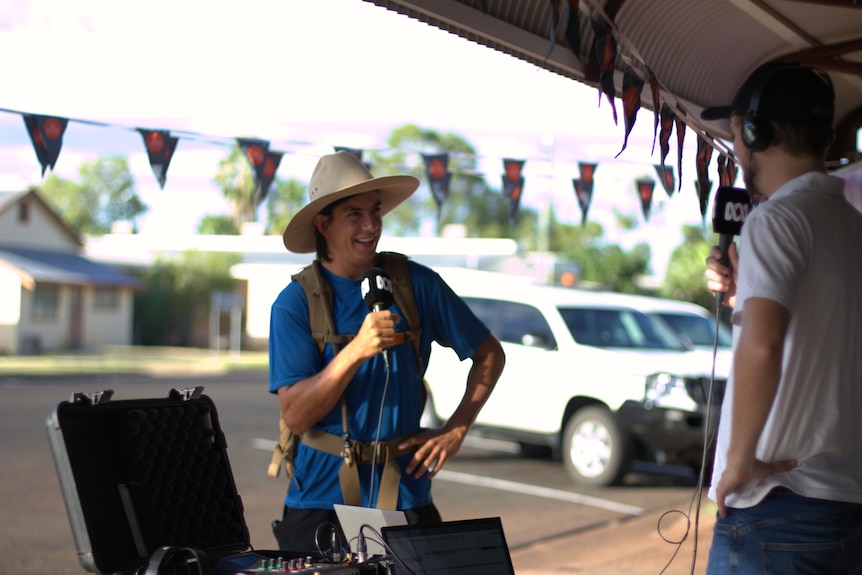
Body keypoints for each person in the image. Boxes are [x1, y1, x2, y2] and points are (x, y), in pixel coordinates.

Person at [268, 150, 505, 554]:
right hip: (319, 505)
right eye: (354, 215)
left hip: (405, 496)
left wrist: (456, 428)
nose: (371, 225)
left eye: (375, 212)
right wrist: (356, 350)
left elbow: (489, 355)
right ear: (323, 223)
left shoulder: (417, 285)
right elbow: (296, 414)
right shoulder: (293, 304)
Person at [701, 61, 862, 572]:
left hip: (776, 508)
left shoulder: (776, 219)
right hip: (846, 507)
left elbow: (764, 345)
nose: (735, 147)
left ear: (755, 131)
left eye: (736, 134)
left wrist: (739, 461)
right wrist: (740, 297)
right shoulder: (853, 226)